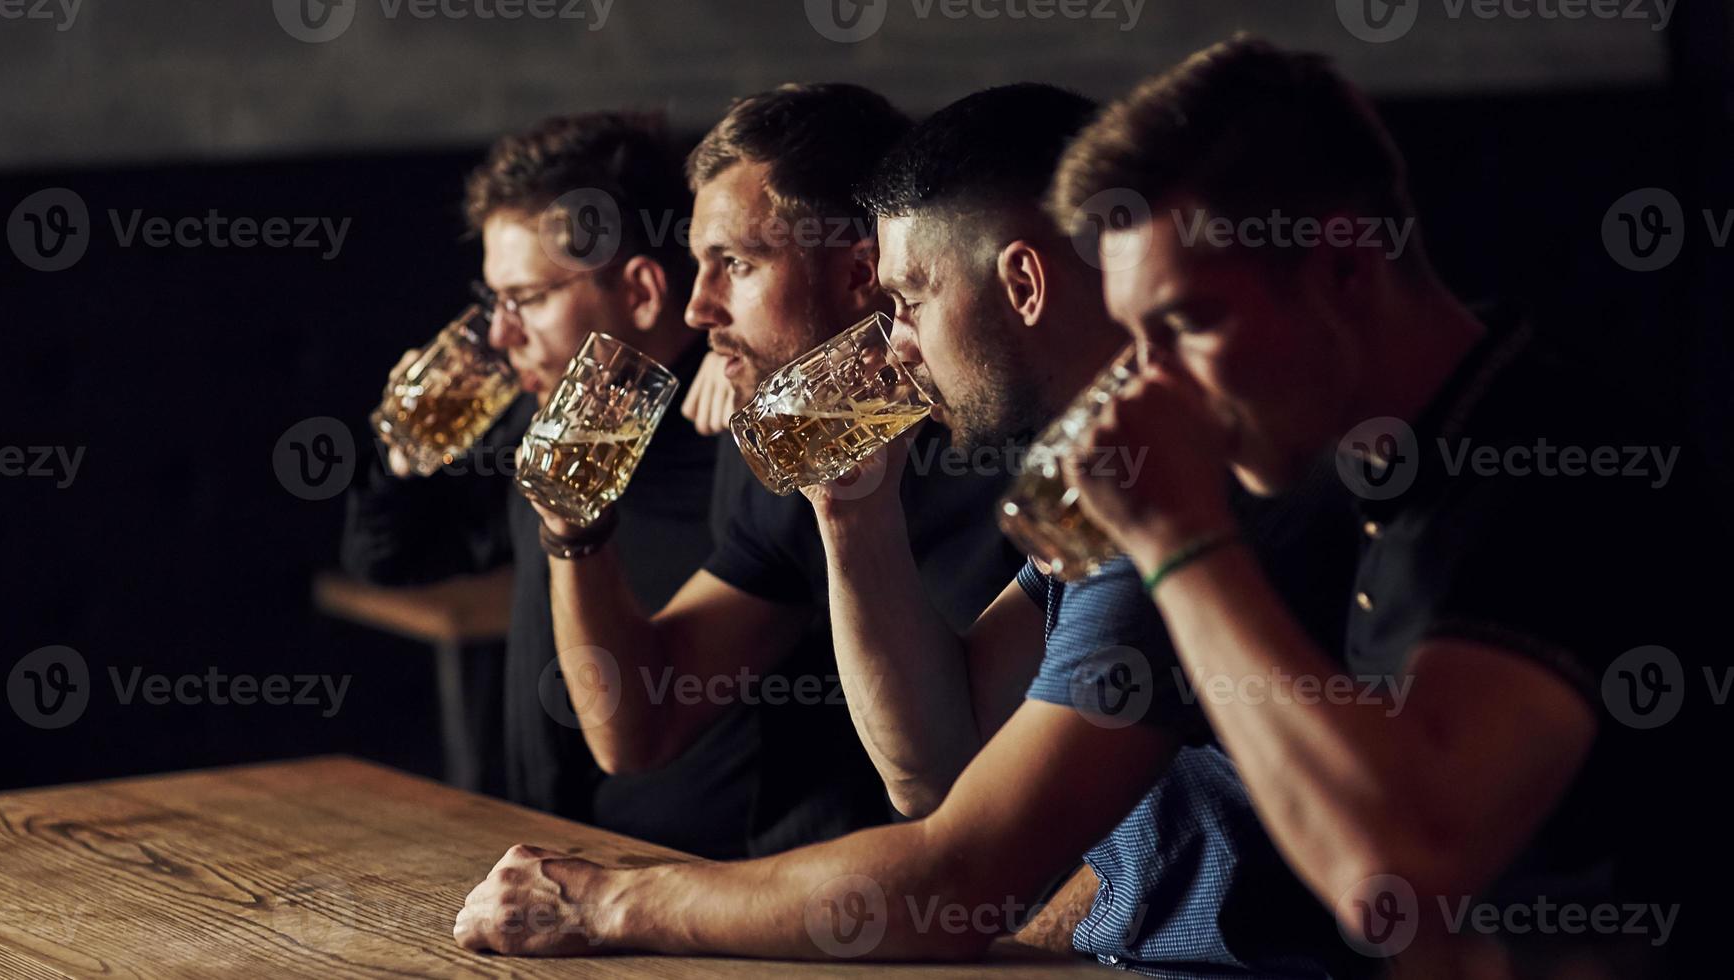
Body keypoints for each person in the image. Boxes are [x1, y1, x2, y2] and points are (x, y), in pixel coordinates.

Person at [453, 85, 1360, 975]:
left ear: (1022, 283)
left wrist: (608, 903)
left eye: (908, 303)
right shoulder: (1105, 474)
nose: (892, 342)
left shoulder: (1184, 473)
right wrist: (852, 514)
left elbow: (955, 879)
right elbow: (936, 768)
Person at [1051, 35, 1719, 972]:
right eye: (1135, 338)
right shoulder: (1376, 473)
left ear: (1345, 268)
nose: (1151, 387)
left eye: (1189, 323)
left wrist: (1177, 540)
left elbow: (1396, 877)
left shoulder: (1552, 463)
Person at [521, 82, 1024, 860]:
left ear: (862, 274)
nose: (697, 308)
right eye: (698, 266)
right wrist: (572, 529)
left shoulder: (1034, 446)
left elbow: (985, 816)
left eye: (735, 265)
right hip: (830, 906)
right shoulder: (813, 441)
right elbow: (639, 729)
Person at [341, 111, 747, 858]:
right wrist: (406, 451)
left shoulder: (743, 438)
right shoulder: (541, 415)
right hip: (546, 856)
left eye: (525, 299)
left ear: (644, 292)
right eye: (493, 300)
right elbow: (389, 558)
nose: (499, 334)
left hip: (698, 891)